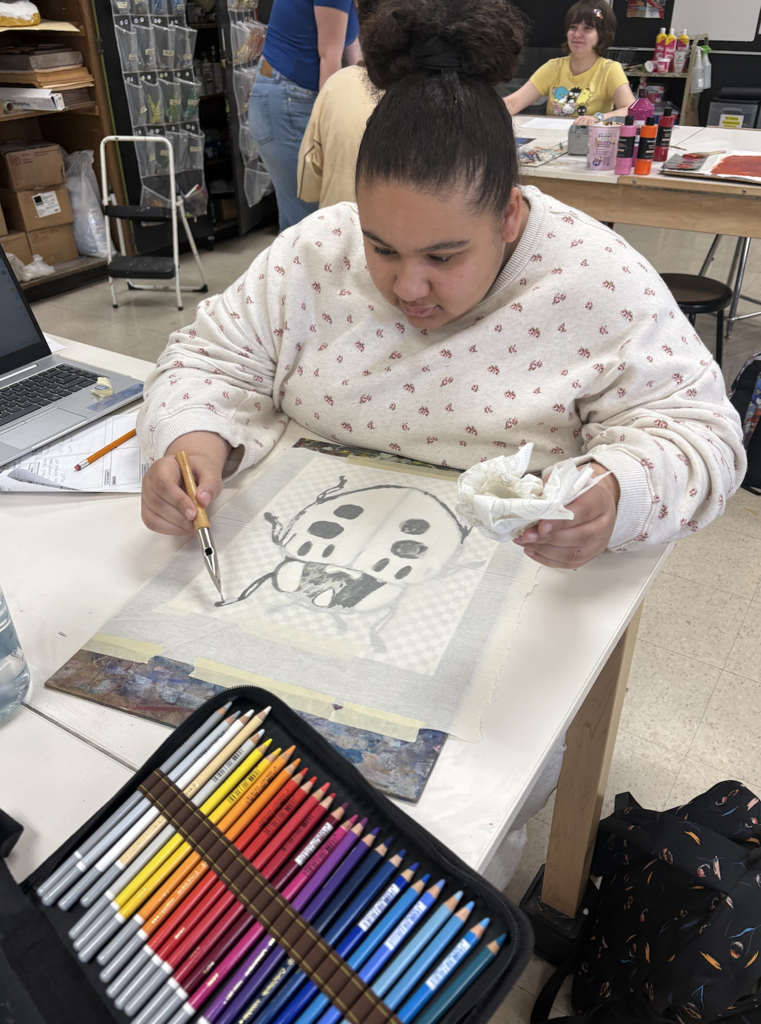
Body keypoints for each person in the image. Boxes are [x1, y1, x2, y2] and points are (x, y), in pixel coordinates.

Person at [140, 0, 745, 574]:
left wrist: (617, 490)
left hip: (511, 582)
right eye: (382, 247)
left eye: (444, 255)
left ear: (508, 217)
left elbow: (701, 436)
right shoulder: (320, 247)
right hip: (294, 539)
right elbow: (211, 359)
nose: (408, 286)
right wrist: (195, 446)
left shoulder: (595, 278)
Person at [248, 0, 360, 230]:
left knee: (309, 223)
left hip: (287, 95)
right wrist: (333, 123)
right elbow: (329, 55)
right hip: (289, 101)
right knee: (309, 228)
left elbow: (350, 40)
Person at [505, 0, 635, 125]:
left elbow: (631, 110)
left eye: (587, 28)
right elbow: (514, 103)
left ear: (603, 34)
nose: (577, 34)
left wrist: (598, 118)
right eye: (573, 27)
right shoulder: (553, 67)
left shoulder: (610, 70)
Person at [297, 63, 379, 208]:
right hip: (401, 224)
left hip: (338, 219)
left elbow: (310, 168)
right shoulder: (426, 94)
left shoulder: (337, 83)